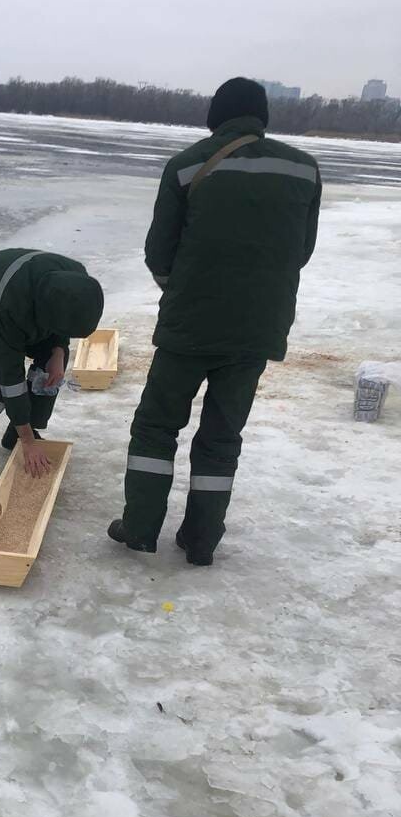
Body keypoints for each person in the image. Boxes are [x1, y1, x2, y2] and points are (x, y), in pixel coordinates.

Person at [108, 77, 321, 566]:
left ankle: (140, 528)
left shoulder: (187, 165)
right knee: (222, 436)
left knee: (157, 426)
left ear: (214, 114)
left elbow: (159, 253)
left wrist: (185, 291)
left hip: (190, 326)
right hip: (257, 331)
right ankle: (201, 540)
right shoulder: (304, 169)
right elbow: (300, 252)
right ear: (262, 116)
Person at [0, 249, 103, 477]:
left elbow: (61, 321)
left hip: (26, 303)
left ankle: (16, 433)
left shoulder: (76, 280)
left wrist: (58, 352)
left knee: (48, 370)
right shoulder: (11, 307)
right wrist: (29, 442)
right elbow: (10, 376)